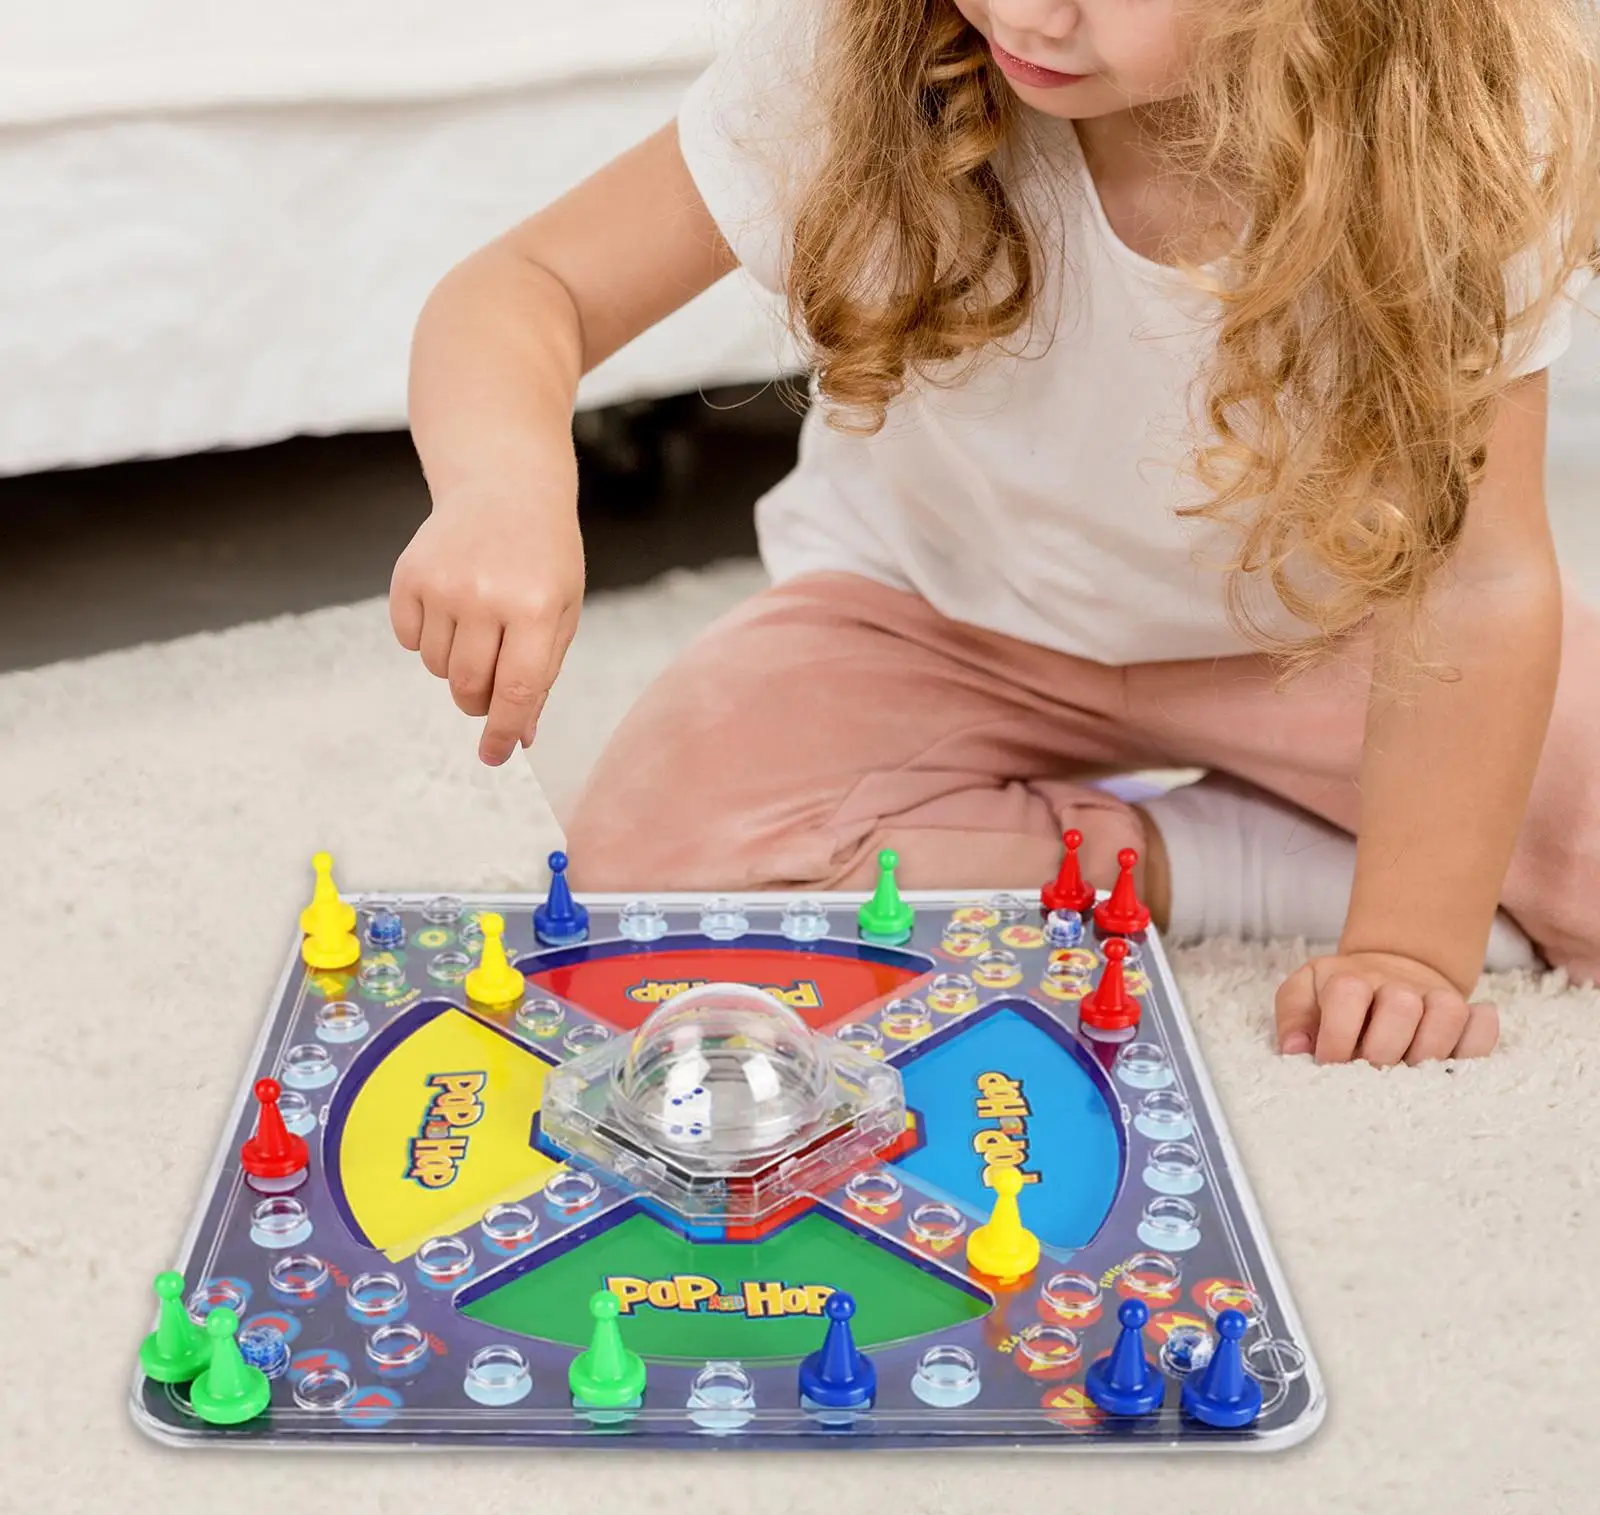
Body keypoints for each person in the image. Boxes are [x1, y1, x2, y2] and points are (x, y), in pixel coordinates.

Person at [393, 0, 1600, 1066]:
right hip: (935, 617)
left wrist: (1406, 948)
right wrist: (504, 489)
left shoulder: (1468, 127)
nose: (1023, 13)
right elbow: (529, 285)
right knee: (653, 881)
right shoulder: (861, 52)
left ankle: (1276, 856)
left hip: (1326, 639)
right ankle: (1199, 860)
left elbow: (1476, 584)